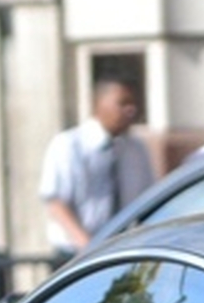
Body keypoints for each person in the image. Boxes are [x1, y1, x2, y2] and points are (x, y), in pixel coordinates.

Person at [38, 79, 156, 258]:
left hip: (123, 251)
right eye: (122, 103)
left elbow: (148, 200)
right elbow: (56, 202)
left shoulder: (136, 149)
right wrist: (88, 246)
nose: (130, 110)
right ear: (98, 104)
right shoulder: (70, 145)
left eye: (133, 104)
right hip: (76, 253)